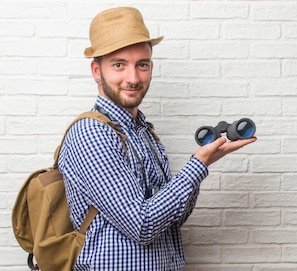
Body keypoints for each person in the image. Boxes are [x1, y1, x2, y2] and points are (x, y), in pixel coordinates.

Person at [57, 6, 256, 270]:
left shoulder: (144, 132)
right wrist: (197, 165)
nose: (133, 78)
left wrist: (202, 165)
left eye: (142, 65)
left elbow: (171, 220)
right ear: (97, 71)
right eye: (119, 65)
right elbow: (142, 226)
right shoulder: (92, 134)